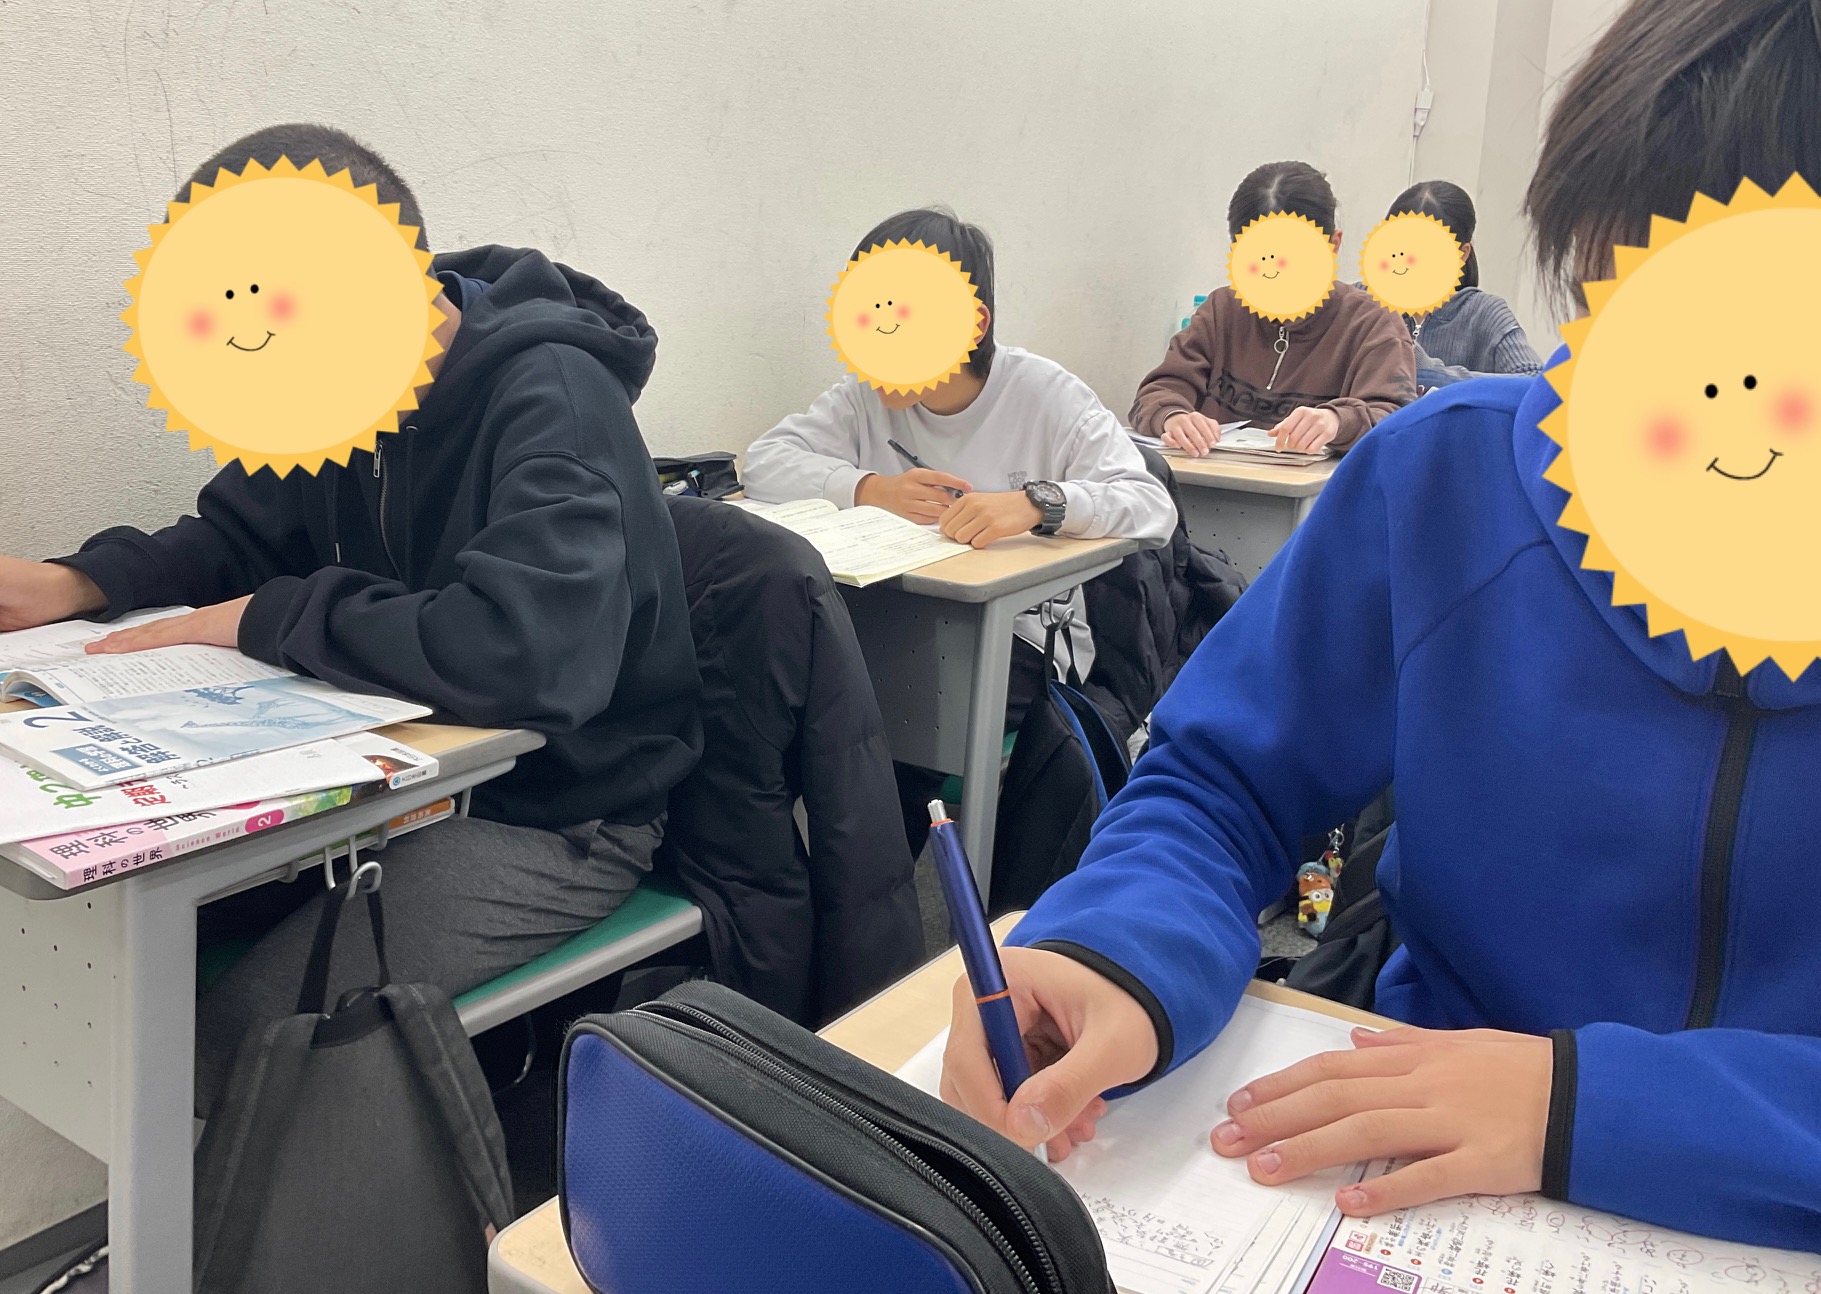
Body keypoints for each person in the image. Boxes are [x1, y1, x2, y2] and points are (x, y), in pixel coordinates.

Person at [940, 0, 1821, 1253]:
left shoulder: (1370, 335)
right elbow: (1219, 782)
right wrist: (1119, 952)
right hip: (1416, 1170)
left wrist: (1587, 1103)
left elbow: (1365, 394)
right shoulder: (1448, 483)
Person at [0, 123, 701, 1113]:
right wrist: (75, 582)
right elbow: (237, 535)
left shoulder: (554, 395)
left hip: (557, 811)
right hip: (387, 786)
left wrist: (269, 615)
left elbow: (530, 655)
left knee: (237, 1043)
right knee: (113, 955)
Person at [744, 206, 1175, 705]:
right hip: (886, 616)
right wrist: (869, 489)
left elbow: (1151, 506)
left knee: (880, 698)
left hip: (1020, 637)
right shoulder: (863, 396)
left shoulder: (1046, 394)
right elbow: (764, 462)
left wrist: (1037, 504)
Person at [1132, 161, 1416, 458]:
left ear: (1333, 245)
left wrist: (1337, 421)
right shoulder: (1221, 311)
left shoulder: (1373, 324)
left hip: (1320, 487)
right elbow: (1159, 391)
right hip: (1208, 480)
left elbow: (1398, 422)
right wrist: (1173, 416)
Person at [1379, 180, 1543, 387]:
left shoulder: (1485, 313)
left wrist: (1432, 372)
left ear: (1462, 253)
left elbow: (1535, 382)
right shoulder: (1364, 301)